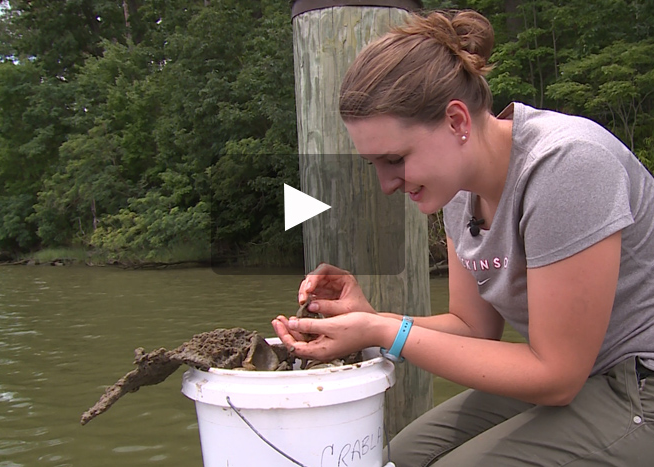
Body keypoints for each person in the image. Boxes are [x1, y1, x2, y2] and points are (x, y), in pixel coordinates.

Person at [272, 9, 654, 466]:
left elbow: (556, 375)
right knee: (395, 457)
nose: (386, 184)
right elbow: (473, 329)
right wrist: (370, 320)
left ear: (457, 122)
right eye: (373, 164)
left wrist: (384, 331)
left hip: (638, 382)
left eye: (394, 158)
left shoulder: (567, 165)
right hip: (581, 375)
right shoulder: (457, 192)